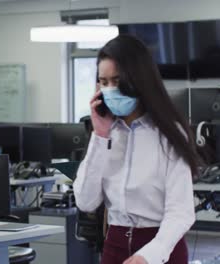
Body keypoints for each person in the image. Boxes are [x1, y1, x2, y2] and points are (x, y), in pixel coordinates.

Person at [73, 35, 199, 264]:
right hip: (114, 245)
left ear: (137, 80)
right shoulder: (105, 134)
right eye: (103, 81)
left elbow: (180, 212)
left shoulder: (169, 133)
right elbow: (86, 201)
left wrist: (148, 255)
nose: (110, 89)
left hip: (161, 250)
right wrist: (99, 136)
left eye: (117, 80)